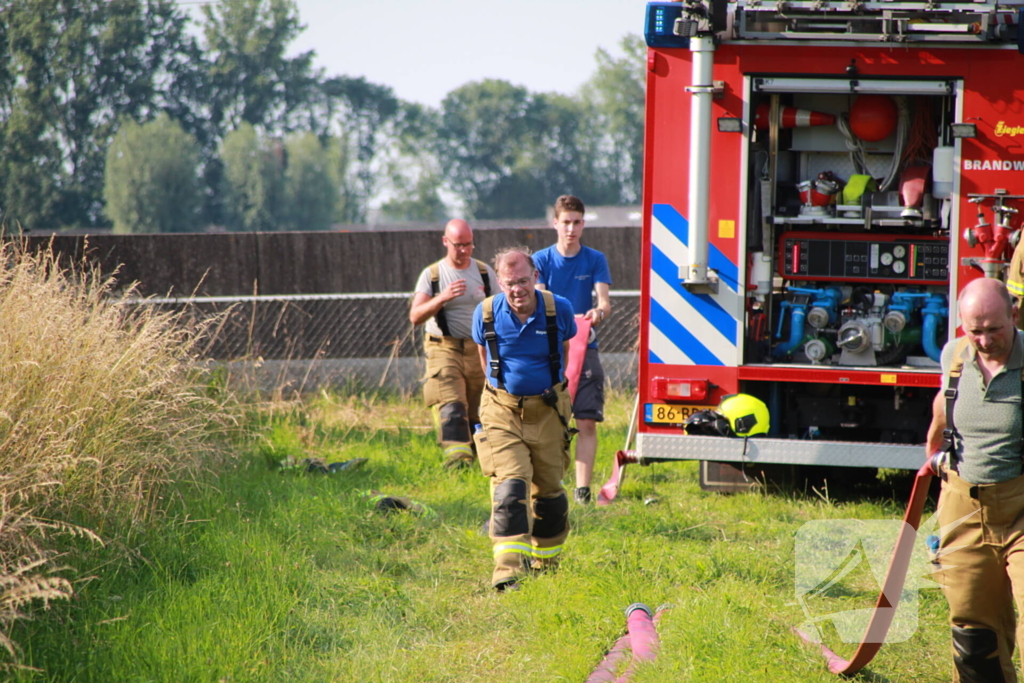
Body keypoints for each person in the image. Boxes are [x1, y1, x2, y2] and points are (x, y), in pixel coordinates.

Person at [925, 277, 1024, 682]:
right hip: (964, 507)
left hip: (1020, 504)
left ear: (1014, 314)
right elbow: (940, 416)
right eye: (974, 330)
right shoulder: (954, 355)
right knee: (972, 631)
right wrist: (932, 464)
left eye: (994, 329)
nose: (984, 340)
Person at [471, 247, 577, 591]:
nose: (517, 289)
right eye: (509, 283)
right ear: (499, 283)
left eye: (522, 281)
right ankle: (507, 571)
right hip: (501, 409)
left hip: (548, 409)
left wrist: (559, 392)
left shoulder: (558, 309)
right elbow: (483, 358)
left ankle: (546, 561)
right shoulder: (485, 313)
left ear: (535, 277)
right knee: (510, 486)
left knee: (549, 493)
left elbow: (567, 350)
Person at [533, 195, 612, 505]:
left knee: (587, 420)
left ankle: (582, 491)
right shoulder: (540, 260)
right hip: (549, 347)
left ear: (584, 224)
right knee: (548, 420)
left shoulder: (595, 259)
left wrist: (597, 313)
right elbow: (540, 301)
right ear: (555, 224)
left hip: (585, 345)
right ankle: (549, 486)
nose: (571, 228)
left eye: (577, 222)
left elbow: (604, 303)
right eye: (565, 222)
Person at [410, 219, 497, 469]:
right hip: (443, 348)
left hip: (477, 349)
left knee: (478, 410)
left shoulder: (483, 272)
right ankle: (457, 463)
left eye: (468, 245)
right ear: (445, 242)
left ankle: (482, 462)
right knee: (452, 406)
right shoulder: (433, 275)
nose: (464, 251)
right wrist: (443, 297)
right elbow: (416, 316)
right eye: (458, 245)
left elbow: (501, 308)